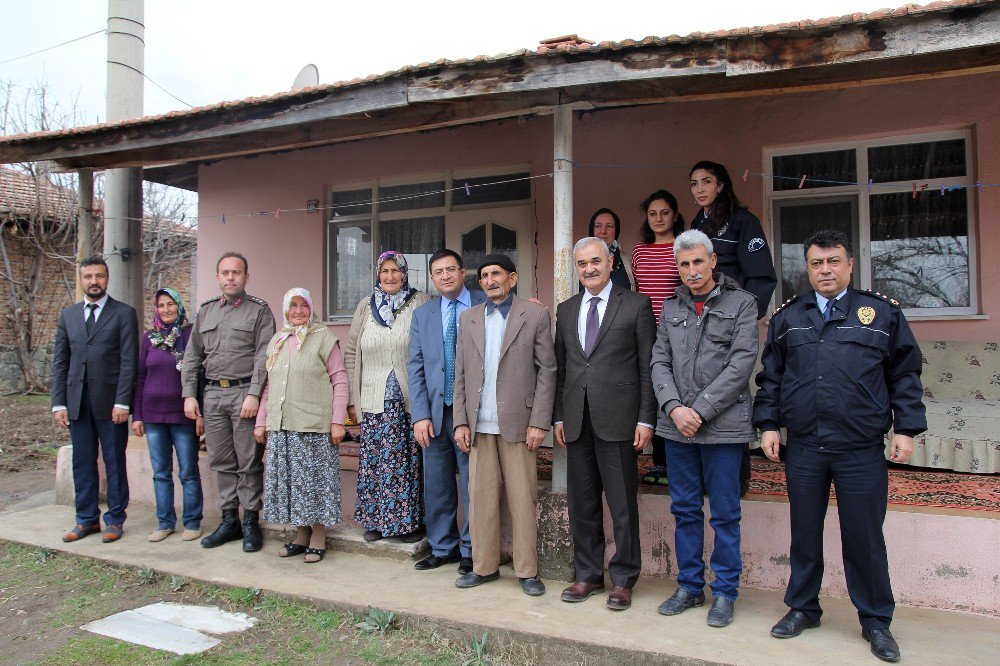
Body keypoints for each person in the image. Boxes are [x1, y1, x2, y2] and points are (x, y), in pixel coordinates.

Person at [753, 229, 926, 663]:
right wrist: (768, 425)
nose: (825, 270)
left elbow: (905, 375)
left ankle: (875, 621)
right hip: (806, 446)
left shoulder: (881, 313)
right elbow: (770, 377)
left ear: (850, 265)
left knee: (865, 537)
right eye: (816, 263)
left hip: (860, 448)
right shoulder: (789, 317)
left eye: (833, 261)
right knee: (805, 533)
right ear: (806, 268)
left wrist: (906, 429)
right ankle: (803, 608)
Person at [650, 230, 759, 628]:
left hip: (724, 429)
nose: (692, 271)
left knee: (726, 514)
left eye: (698, 262)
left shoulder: (743, 303)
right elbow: (659, 360)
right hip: (677, 429)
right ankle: (690, 586)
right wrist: (675, 408)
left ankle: (726, 592)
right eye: (684, 264)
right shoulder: (670, 305)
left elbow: (741, 364)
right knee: (684, 510)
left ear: (713, 261)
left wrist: (698, 409)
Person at [554, 237, 655, 611]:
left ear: (611, 262)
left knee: (622, 504)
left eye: (595, 261)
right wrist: (559, 416)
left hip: (620, 422)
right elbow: (562, 369)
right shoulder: (565, 310)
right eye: (582, 264)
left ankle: (625, 578)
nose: (589, 269)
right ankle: (588, 574)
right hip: (577, 420)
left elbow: (647, 367)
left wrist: (646, 418)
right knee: (582, 504)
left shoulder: (637, 305)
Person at [452, 254, 556, 597]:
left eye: (496, 273)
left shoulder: (535, 314)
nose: (490, 279)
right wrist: (460, 422)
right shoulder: (468, 318)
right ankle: (484, 567)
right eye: (484, 275)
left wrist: (539, 422)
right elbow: (461, 374)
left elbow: (547, 372)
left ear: (512, 278)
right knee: (480, 499)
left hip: (519, 424)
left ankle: (527, 571)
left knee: (522, 498)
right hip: (479, 426)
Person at [689, 160, 778, 498]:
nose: (700, 189)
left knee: (731, 396)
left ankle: (736, 480)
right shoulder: (696, 224)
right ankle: (703, 476)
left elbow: (762, 277)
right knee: (698, 391)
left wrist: (740, 317)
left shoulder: (744, 222)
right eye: (694, 183)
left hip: (732, 322)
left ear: (721, 185)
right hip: (699, 320)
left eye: (706, 181)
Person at [182, 252, 276, 553]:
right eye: (225, 272)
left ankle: (250, 521)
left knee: (248, 461)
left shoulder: (259, 311)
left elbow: (265, 355)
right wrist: (189, 395)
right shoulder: (206, 312)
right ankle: (228, 520)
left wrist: (253, 393)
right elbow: (193, 356)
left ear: (246, 277)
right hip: (212, 396)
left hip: (243, 393)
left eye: (236, 272)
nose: (230, 277)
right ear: (218, 276)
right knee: (221, 461)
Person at [255, 288, 348, 563]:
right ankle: (301, 534)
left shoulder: (324, 338)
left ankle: (318, 535)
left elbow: (340, 380)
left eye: (303, 305)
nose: (298, 311)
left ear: (311, 308)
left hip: (313, 426)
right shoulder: (278, 340)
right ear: (285, 309)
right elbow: (270, 385)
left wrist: (337, 421)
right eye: (292, 305)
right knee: (292, 484)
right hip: (282, 426)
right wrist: (262, 422)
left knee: (314, 483)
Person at [408, 249, 487, 575]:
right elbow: (415, 367)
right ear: (431, 277)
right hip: (437, 413)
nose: (445, 276)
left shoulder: (486, 302)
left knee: (473, 484)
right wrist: (420, 415)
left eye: (450, 269)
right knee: (437, 484)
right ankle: (443, 548)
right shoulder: (423, 314)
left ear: (463, 271)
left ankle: (471, 549)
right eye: (438, 271)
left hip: (475, 411)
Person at [344, 251, 431, 543]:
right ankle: (377, 521)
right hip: (373, 398)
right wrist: (354, 400)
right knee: (375, 462)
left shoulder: (421, 301)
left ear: (404, 274)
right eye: (385, 271)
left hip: (410, 400)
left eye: (396, 270)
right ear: (377, 275)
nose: (390, 276)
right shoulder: (364, 308)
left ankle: (410, 524)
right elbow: (352, 353)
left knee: (410, 463)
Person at [52, 256, 139, 543]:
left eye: (99, 276)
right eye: (88, 276)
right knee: (83, 462)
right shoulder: (69, 315)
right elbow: (60, 363)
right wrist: (59, 403)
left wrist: (123, 402)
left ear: (107, 279)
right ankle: (86, 519)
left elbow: (129, 361)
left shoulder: (124, 313)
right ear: (81, 279)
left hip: (111, 403)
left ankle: (114, 519)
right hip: (77, 403)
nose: (94, 281)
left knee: (114, 461)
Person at [132, 288, 204, 543]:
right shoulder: (149, 338)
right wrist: (137, 415)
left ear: (179, 306)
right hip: (153, 417)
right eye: (161, 305)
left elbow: (198, 374)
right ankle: (165, 523)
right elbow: (140, 377)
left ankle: (193, 522)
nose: (166, 309)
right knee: (161, 472)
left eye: (170, 304)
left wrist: (200, 414)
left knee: (188, 471)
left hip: (183, 416)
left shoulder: (190, 334)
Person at [630, 190, 685, 487]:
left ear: (674, 215)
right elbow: (638, 290)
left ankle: (674, 461)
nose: (658, 219)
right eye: (653, 214)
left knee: (673, 394)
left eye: (664, 213)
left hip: (677, 331)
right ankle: (659, 462)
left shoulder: (683, 246)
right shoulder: (639, 250)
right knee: (649, 393)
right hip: (643, 331)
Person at [582, 208, 633, 290]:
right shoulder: (579, 260)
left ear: (616, 231)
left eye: (609, 226)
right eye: (598, 226)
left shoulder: (628, 260)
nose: (603, 231)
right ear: (592, 230)